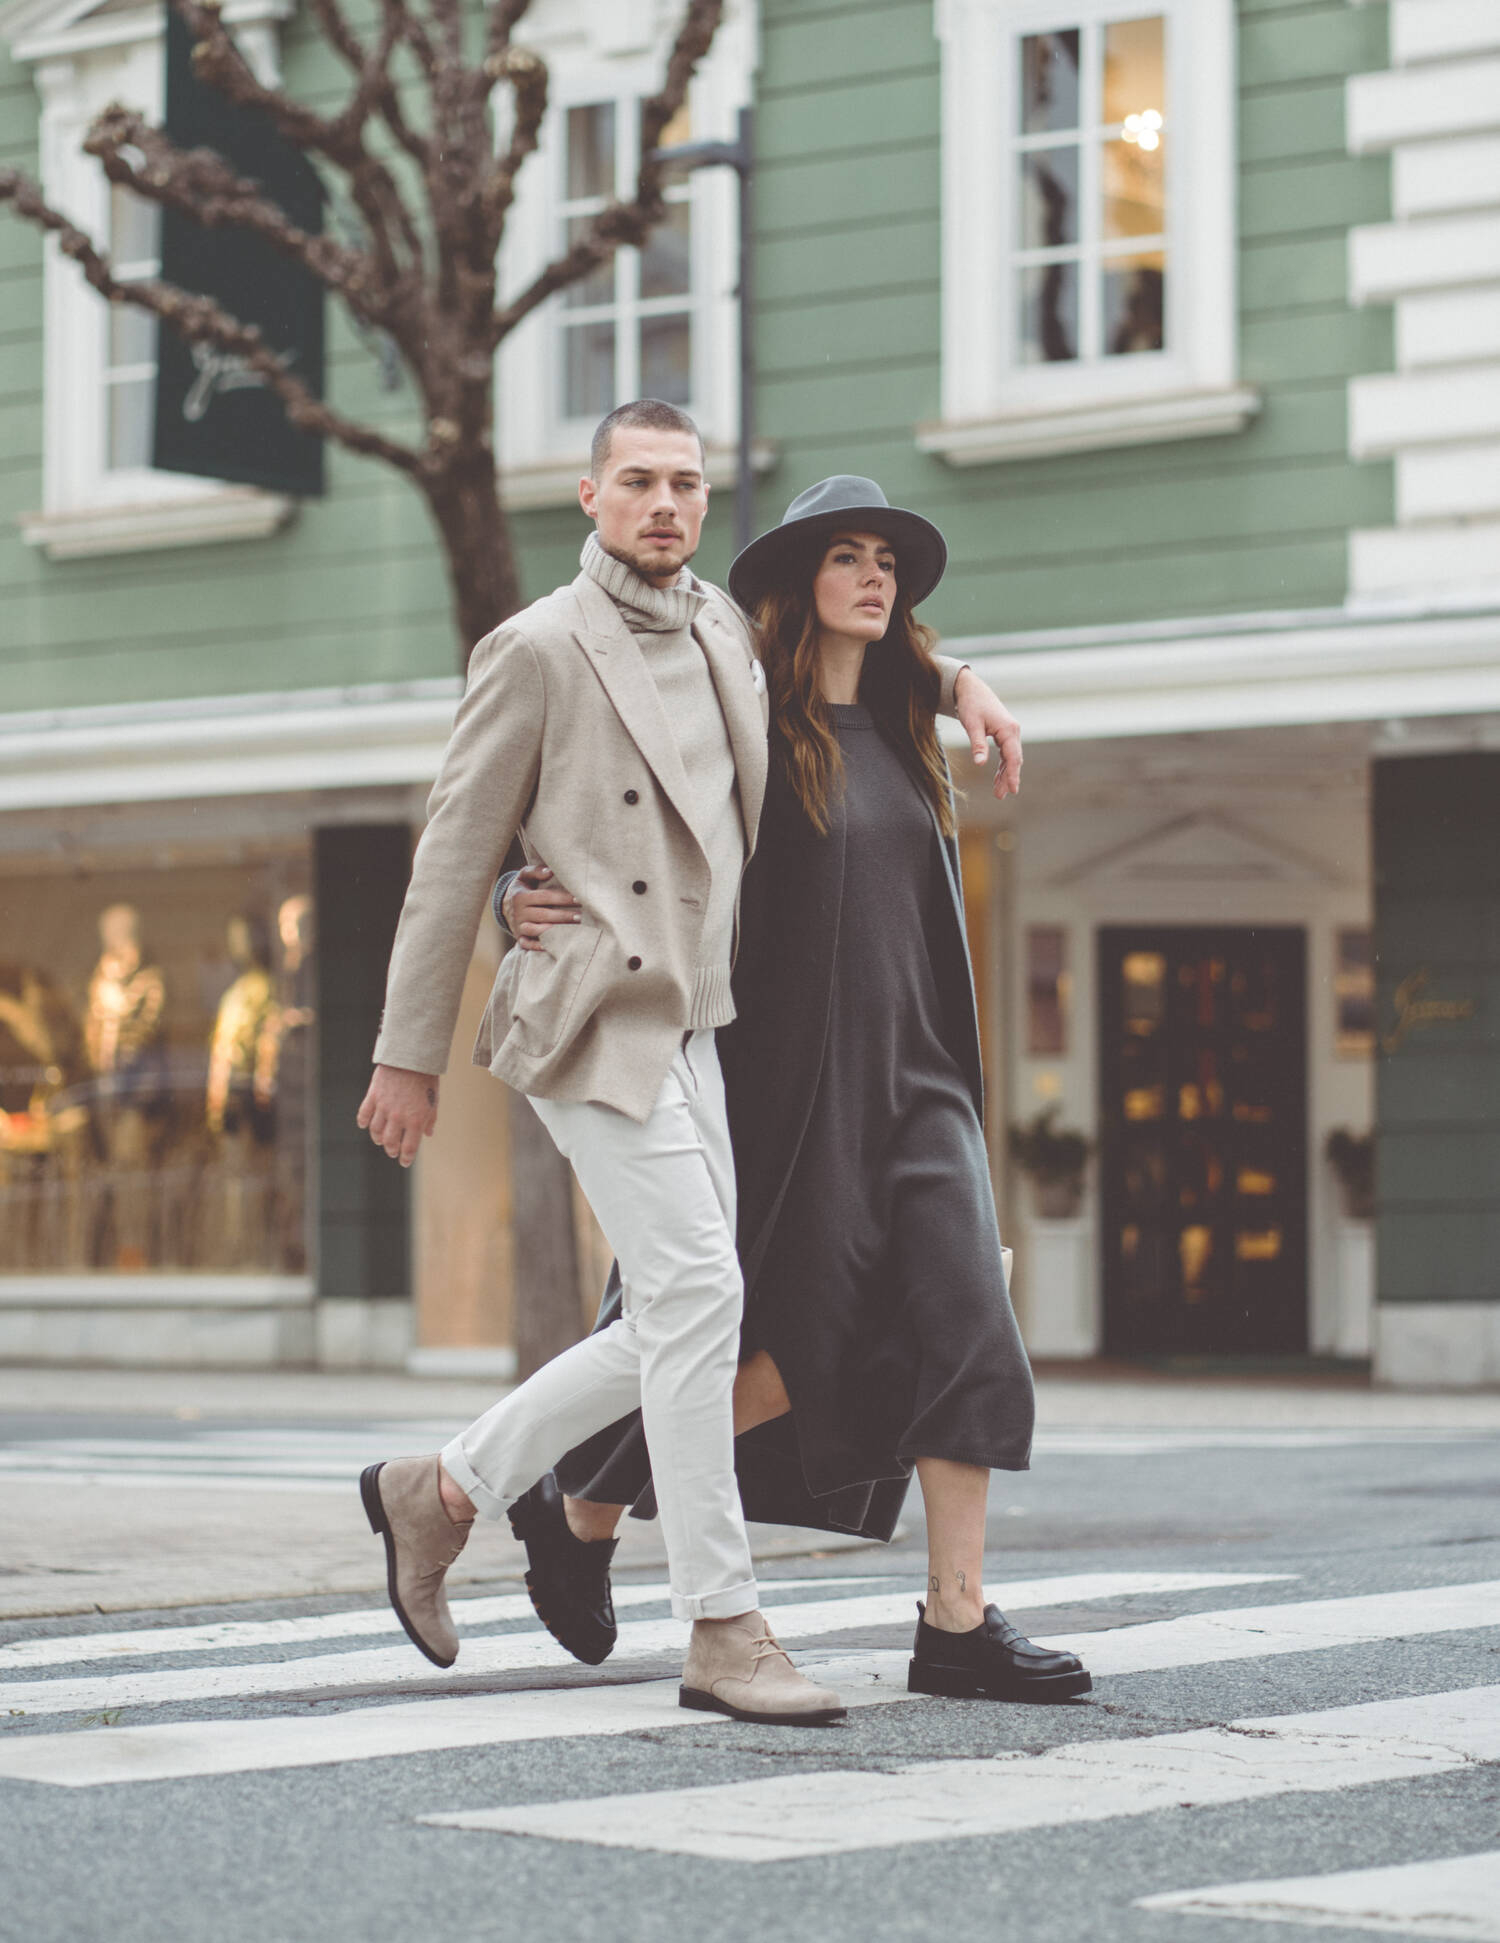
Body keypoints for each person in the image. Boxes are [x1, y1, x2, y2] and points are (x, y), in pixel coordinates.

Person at [355, 413, 1019, 1727]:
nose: (664, 502)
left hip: (698, 1020)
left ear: (705, 502)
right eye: (639, 481)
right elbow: (455, 848)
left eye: (685, 482)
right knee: (705, 1292)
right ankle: (722, 1621)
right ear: (592, 493)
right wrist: (416, 1039)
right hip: (592, 1013)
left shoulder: (720, 628)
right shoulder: (539, 645)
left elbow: (852, 655)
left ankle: (443, 1486)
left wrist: (960, 684)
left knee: (693, 1316)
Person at [508, 476, 1090, 1706]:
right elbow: (618, 797)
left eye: (889, 559)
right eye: (849, 557)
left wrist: (955, 676)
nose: (876, 576)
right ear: (796, 585)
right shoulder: (744, 721)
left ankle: (956, 1620)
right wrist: (522, 891)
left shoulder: (906, 727)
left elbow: (918, 687)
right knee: (791, 1345)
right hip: (786, 1082)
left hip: (922, 1078)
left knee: (966, 1312)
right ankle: (581, 1497)